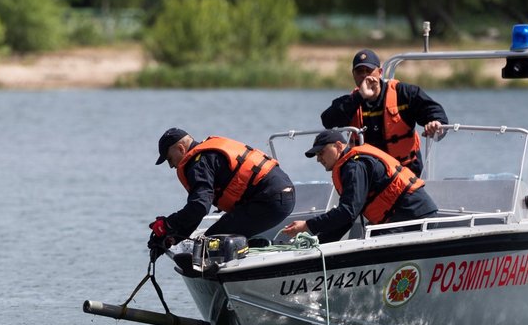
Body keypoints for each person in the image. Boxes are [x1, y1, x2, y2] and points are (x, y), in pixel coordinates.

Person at [281, 131, 438, 244]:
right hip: (406, 217)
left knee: (373, 243)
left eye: (321, 152)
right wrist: (318, 243)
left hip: (416, 216)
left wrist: (308, 226)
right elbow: (347, 217)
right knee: (371, 238)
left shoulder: (354, 166)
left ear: (338, 146)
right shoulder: (351, 165)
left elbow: (347, 212)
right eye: (317, 155)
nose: (318, 159)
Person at [149, 128, 295, 248]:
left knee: (210, 244)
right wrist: (172, 238)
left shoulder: (199, 164)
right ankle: (255, 246)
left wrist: (168, 224)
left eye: (169, 159)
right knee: (216, 238)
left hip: (269, 200)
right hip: (281, 196)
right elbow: (197, 210)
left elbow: (199, 207)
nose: (171, 166)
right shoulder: (207, 155)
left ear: (181, 148)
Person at [320, 48, 448, 177]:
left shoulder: (404, 94)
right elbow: (328, 121)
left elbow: (433, 111)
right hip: (370, 175)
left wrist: (436, 123)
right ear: (353, 75)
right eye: (360, 71)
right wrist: (360, 96)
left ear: (380, 72)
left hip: (405, 172)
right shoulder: (349, 102)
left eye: (369, 71)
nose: (365, 76)